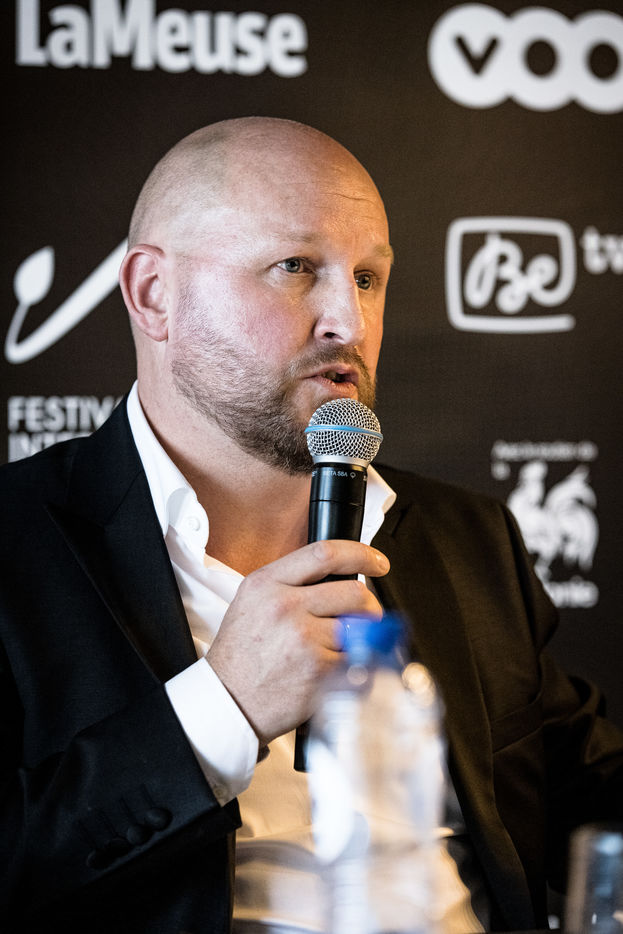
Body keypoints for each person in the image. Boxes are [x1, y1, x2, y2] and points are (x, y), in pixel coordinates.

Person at [1, 117, 622, 934]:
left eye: (367, 278)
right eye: (295, 267)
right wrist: (222, 708)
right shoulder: (18, 542)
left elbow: (590, 793)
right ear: (153, 294)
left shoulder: (466, 538)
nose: (349, 323)